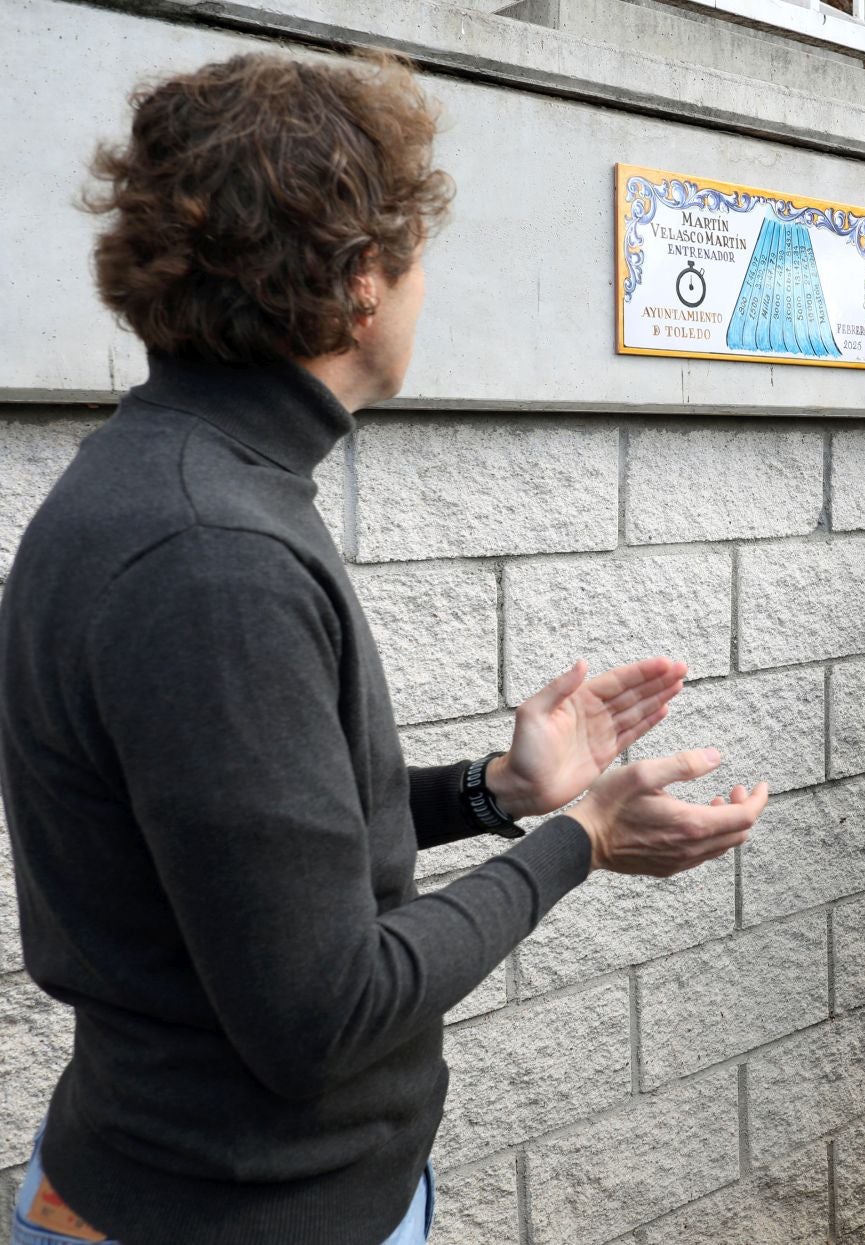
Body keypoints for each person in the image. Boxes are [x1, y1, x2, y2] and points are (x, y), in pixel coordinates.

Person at [0, 54, 767, 1244]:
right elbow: (323, 1012)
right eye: (413, 260)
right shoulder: (212, 554)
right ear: (362, 283)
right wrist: (582, 838)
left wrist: (497, 792)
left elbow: (256, 852)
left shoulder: (179, 484)